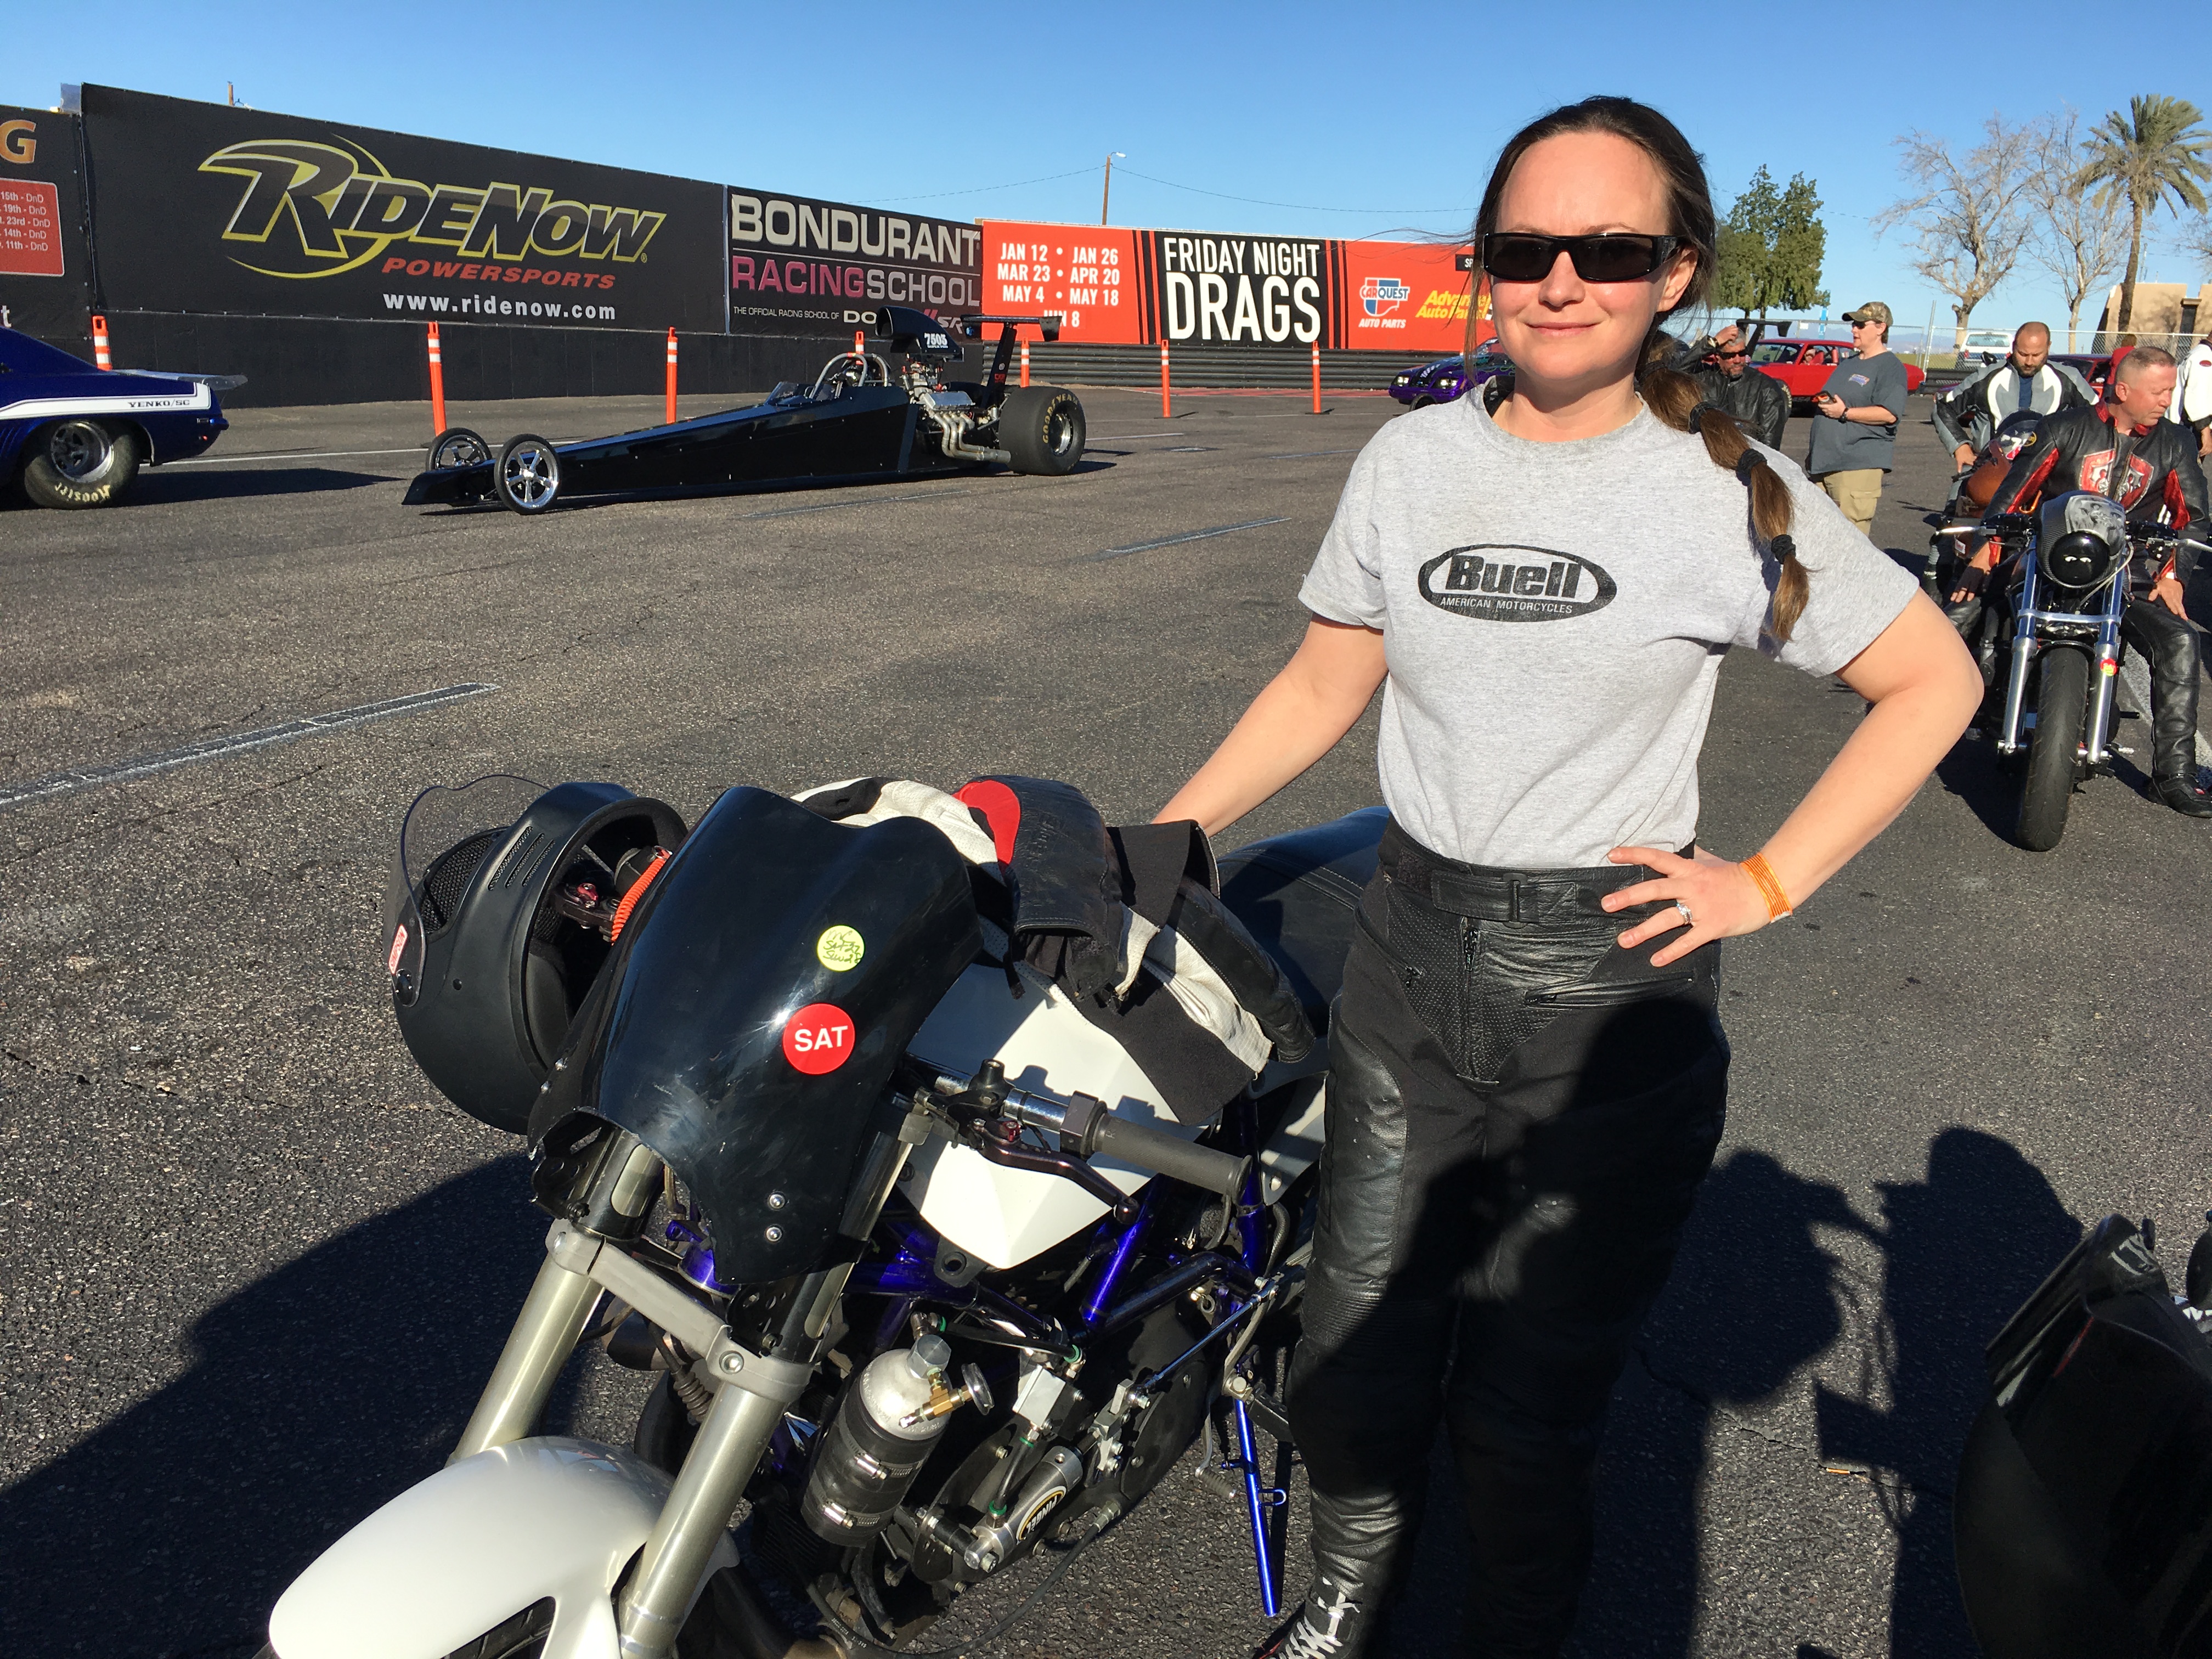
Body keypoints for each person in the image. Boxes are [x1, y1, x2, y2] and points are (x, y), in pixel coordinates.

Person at [1153, 96, 1982, 1659]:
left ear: (1675, 271)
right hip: (1404, 961)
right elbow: (1328, 683)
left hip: (1609, 1012)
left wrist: (1767, 881)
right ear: (1484, 264)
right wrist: (1168, 839)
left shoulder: (1720, 490)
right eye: (1523, 247)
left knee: (1528, 1417)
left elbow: (1931, 682)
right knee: (1355, 1355)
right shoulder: (1409, 462)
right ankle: (1341, 1607)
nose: (1558, 280)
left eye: (1607, 249)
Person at [1950, 346, 2212, 816]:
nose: (2167, 400)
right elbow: (2011, 497)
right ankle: (1952, 714)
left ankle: (2174, 774)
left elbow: (2194, 517)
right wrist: (1986, 554)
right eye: (2160, 391)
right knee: (1967, 612)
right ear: (2124, 390)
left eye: (2171, 390)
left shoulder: (2175, 442)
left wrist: (2173, 574)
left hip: (2125, 573)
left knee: (2179, 641)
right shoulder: (2064, 428)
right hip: (2047, 561)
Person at [1932, 322, 2097, 470]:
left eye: (2037, 355)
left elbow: (2100, 417)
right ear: (2013, 346)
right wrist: (1960, 446)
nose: (2029, 362)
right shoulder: (1986, 378)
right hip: (1991, 468)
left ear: (2048, 347)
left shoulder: (2069, 379)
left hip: (2048, 471)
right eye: (2023, 354)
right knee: (1958, 501)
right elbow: (1943, 408)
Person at [1805, 303, 1909, 535]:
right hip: (1824, 465)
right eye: (1854, 324)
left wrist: (1845, 413)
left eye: (1861, 325)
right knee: (1816, 539)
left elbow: (1889, 413)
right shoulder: (1850, 363)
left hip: (1856, 469)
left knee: (1849, 544)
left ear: (1881, 328)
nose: (1854, 330)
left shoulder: (1890, 367)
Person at [1689, 328, 1790, 450]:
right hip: (1706, 456)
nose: (1737, 360)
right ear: (1717, 357)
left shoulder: (1766, 388)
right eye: (1730, 356)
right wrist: (1711, 343)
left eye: (1742, 353)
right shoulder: (1703, 377)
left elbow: (1770, 446)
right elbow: (1672, 372)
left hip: (1746, 460)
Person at [2173, 325, 2212, 457]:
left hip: (2186, 425)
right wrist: (2205, 431)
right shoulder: (2204, 358)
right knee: (2190, 473)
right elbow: (2196, 394)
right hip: (2191, 427)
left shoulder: (2198, 352)